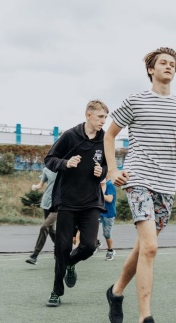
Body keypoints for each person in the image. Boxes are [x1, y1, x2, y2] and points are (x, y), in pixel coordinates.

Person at [104, 47, 176, 323]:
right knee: (152, 247)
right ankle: (145, 317)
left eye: (172, 64)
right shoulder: (135, 101)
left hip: (167, 183)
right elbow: (109, 135)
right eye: (163, 63)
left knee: (144, 247)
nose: (169, 67)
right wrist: (113, 170)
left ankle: (116, 292)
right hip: (139, 178)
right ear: (150, 69)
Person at [44, 100, 109, 307]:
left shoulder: (106, 139)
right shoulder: (70, 136)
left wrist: (102, 172)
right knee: (62, 248)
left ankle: (70, 264)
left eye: (105, 117)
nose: (103, 121)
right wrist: (65, 163)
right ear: (88, 115)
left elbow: (108, 166)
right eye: (100, 117)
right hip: (67, 201)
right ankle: (56, 291)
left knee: (89, 246)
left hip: (91, 201)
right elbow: (49, 159)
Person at [26, 167, 58, 265]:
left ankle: (34, 255)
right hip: (46, 202)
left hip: (58, 205)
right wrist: (35, 187)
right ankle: (58, 248)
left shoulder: (65, 168)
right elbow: (40, 185)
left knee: (44, 227)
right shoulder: (46, 169)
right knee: (51, 230)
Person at [99, 179, 117, 261]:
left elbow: (109, 199)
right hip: (98, 211)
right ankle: (96, 243)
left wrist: (98, 193)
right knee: (90, 229)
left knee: (106, 234)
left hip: (108, 213)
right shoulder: (97, 183)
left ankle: (110, 250)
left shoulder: (110, 184)